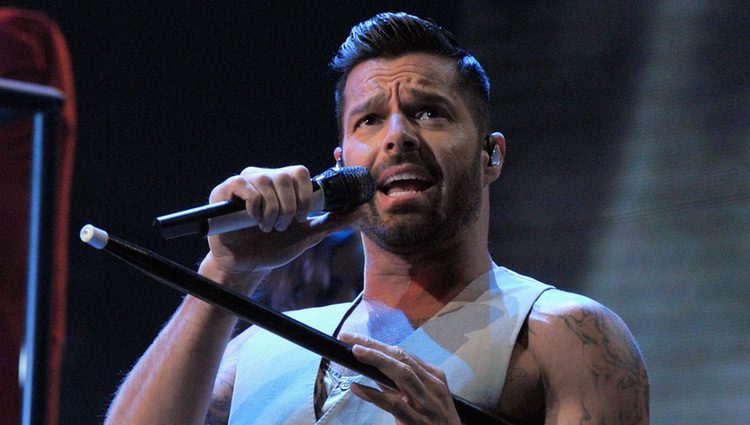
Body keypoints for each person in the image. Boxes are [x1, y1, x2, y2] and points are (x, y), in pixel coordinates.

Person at [104, 12, 649, 425]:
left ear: (491, 155)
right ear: (340, 164)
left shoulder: (567, 337)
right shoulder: (258, 351)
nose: (397, 135)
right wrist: (226, 275)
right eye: (369, 119)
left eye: (429, 112)